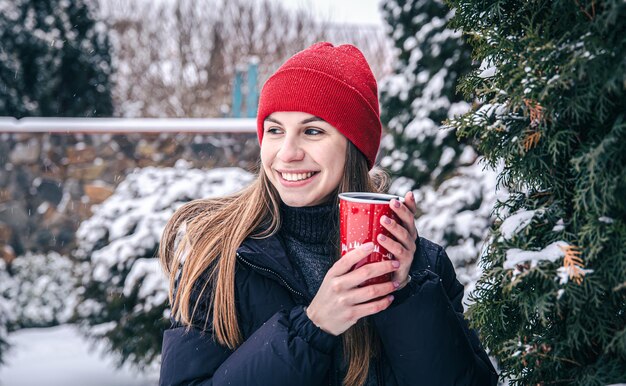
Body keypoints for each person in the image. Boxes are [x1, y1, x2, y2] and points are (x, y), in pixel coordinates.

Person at [158, 42, 498, 386]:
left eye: (313, 131)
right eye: (275, 130)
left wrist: (405, 296)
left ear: (354, 147)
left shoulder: (424, 264)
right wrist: (311, 328)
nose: (287, 153)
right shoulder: (221, 260)